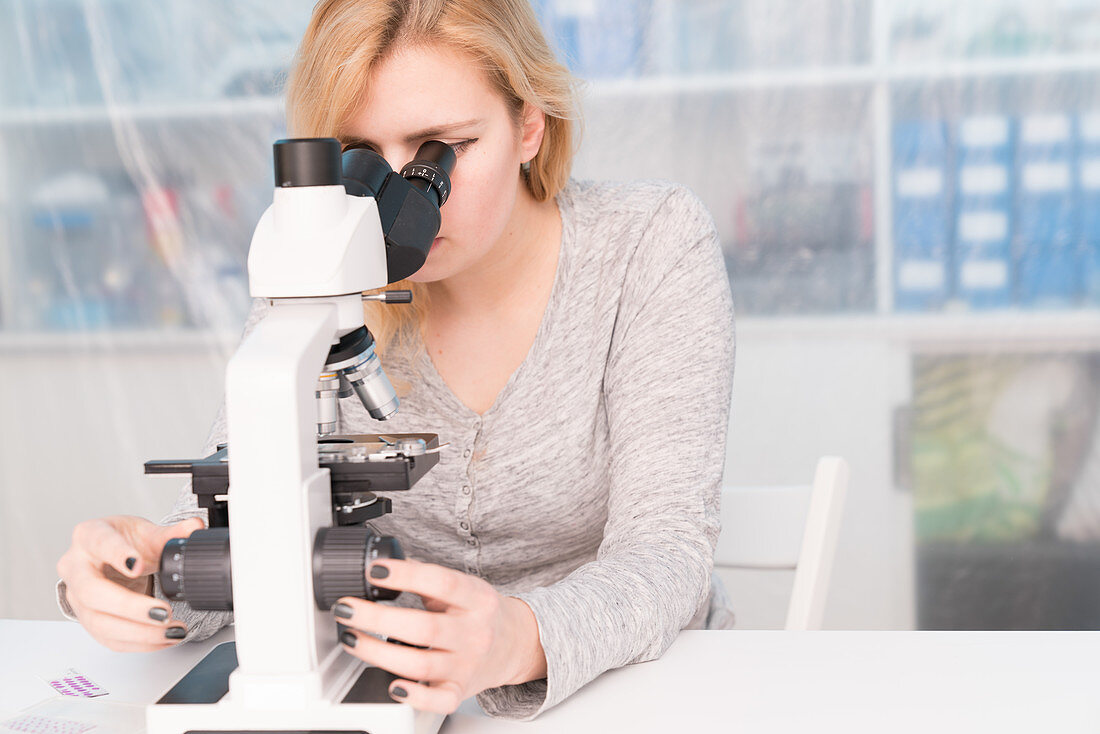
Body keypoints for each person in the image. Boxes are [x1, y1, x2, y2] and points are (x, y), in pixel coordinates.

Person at [55, 0, 736, 721]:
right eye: (362, 159)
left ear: (530, 124)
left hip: (636, 693)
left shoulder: (650, 244)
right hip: (398, 689)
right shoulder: (318, 260)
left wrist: (519, 637)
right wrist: (143, 579)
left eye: (440, 151)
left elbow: (666, 556)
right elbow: (243, 520)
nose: (396, 209)